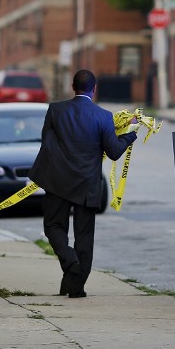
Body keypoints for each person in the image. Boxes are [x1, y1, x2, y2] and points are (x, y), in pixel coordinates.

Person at [29, 69, 139, 298]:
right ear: (94, 88)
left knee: (53, 227)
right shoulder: (103, 116)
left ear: (72, 86)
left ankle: (70, 266)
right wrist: (130, 132)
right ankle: (76, 286)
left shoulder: (55, 110)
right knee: (84, 237)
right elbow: (115, 151)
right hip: (87, 185)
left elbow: (46, 142)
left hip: (57, 181)